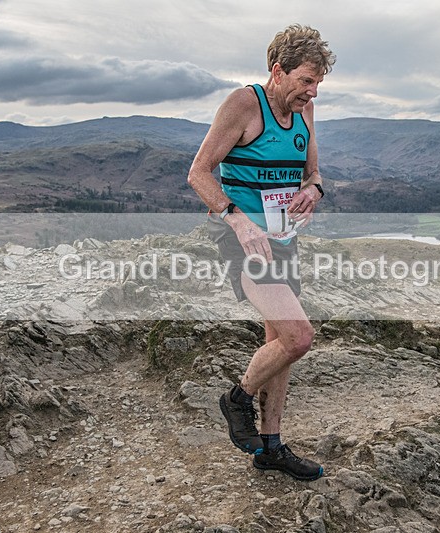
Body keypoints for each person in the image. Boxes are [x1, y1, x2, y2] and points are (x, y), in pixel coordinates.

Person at [187, 24, 335, 481]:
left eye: (318, 83)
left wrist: (313, 192)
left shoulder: (305, 111)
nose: (312, 92)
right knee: (299, 337)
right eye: (306, 80)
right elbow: (199, 172)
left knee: (279, 344)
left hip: (283, 238)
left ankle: (271, 447)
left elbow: (313, 173)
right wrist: (236, 218)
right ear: (277, 70)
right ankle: (237, 398)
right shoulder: (244, 104)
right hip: (243, 238)